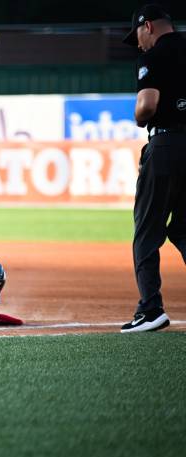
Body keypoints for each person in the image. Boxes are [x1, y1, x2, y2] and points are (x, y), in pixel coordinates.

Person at [120, 4, 186, 333]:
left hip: (166, 147)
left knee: (147, 230)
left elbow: (146, 106)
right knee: (184, 229)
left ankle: (151, 309)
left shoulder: (154, 56)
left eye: (138, 38)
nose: (139, 45)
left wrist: (139, 117)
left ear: (147, 27)